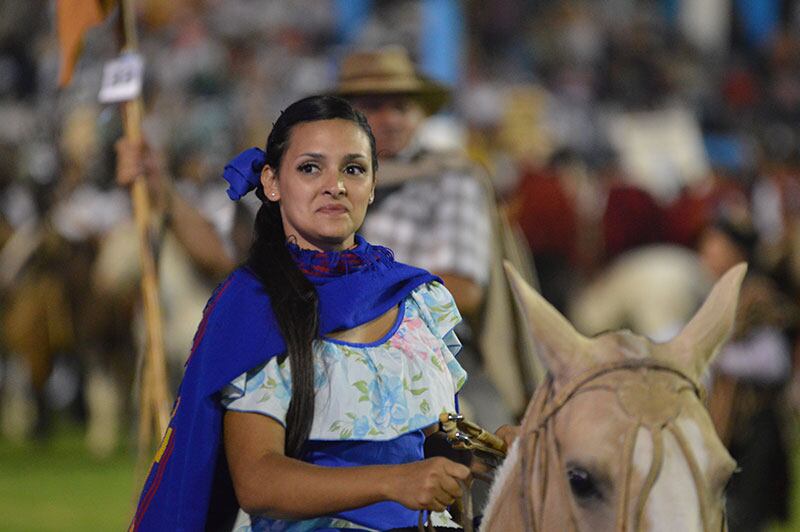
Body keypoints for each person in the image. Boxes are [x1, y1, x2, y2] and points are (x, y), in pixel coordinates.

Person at [131, 95, 516, 531]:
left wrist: (500, 455)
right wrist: (392, 482)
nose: (335, 185)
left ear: (372, 185)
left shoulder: (416, 297)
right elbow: (258, 481)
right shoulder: (253, 307)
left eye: (353, 169)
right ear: (272, 183)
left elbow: (430, 447)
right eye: (311, 168)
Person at [334, 47, 539, 427]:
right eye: (375, 105)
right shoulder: (322, 183)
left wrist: (354, 305)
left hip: (435, 356)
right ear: (345, 115)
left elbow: (463, 289)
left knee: (474, 445)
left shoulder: (450, 178)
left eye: (402, 106)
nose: (391, 119)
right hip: (331, 348)